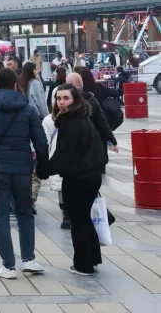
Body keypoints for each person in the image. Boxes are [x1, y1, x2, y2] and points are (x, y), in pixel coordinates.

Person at [0, 68, 49, 278]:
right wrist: (43, 165)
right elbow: (40, 140)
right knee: (25, 213)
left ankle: (8, 265)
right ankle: (29, 259)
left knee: (0, 216)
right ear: (16, 84)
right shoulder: (28, 109)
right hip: (22, 168)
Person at [46, 84, 107, 275]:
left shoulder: (70, 122)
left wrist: (43, 170)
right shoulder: (83, 118)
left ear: (75, 100)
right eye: (59, 98)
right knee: (84, 218)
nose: (61, 102)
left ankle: (83, 264)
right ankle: (92, 258)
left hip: (78, 178)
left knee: (78, 220)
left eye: (66, 98)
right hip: (91, 175)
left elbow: (63, 154)